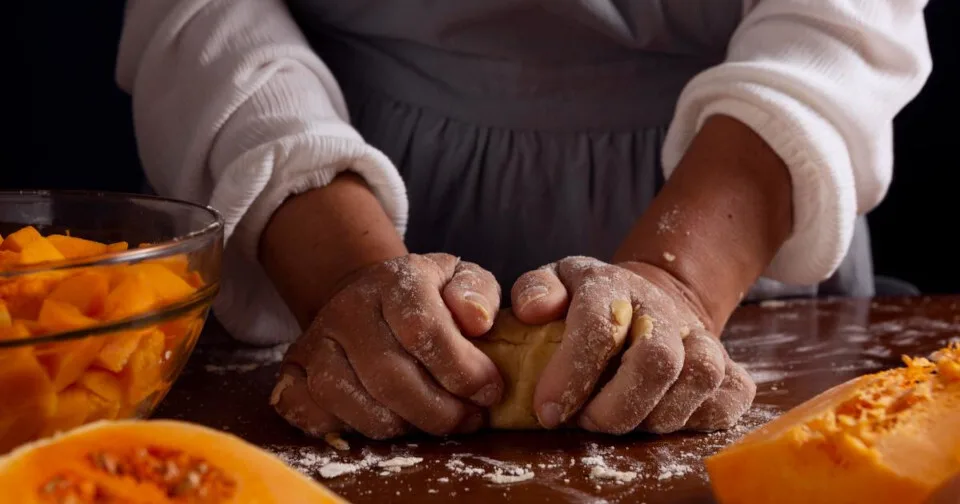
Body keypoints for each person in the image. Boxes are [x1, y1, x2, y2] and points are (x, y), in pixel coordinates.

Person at [116, 1, 932, 438]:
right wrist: (345, 273)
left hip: (738, 200)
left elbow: (842, 19)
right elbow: (204, 12)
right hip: (322, 189)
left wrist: (679, 278)